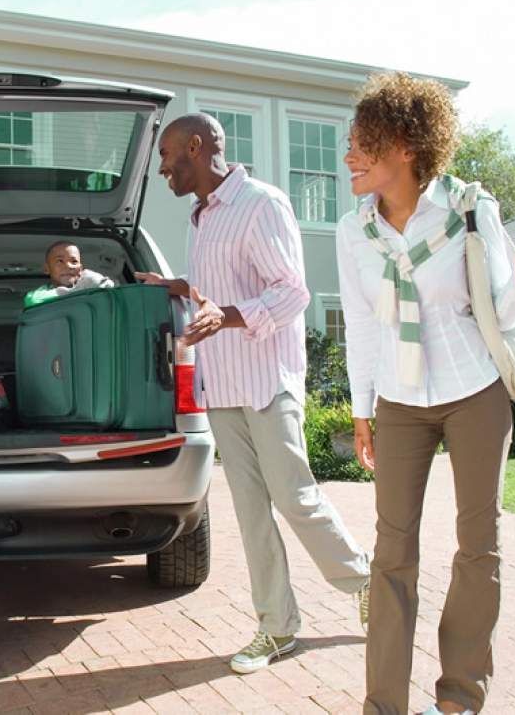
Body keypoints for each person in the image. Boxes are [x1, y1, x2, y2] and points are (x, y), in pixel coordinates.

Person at [336, 72, 515, 715]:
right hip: (399, 398)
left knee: (478, 545)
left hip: (474, 391)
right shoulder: (354, 231)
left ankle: (460, 698)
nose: (349, 156)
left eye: (362, 143)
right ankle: (384, 705)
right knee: (391, 552)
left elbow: (502, 307)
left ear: (406, 146)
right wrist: (362, 410)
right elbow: (361, 324)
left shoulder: (469, 207)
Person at [136, 113, 371, 675]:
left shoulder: (261, 203)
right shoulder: (200, 217)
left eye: (167, 154)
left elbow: (292, 294)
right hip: (222, 387)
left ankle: (367, 580)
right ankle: (277, 626)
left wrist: (228, 316)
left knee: (295, 497)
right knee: (250, 512)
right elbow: (216, 292)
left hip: (267, 381)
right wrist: (180, 289)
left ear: (196, 146)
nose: (163, 167)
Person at [23, 240, 114, 308]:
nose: (68, 266)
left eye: (74, 261)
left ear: (80, 269)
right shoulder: (38, 294)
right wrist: (79, 290)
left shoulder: (89, 281)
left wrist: (93, 280)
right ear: (47, 269)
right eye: (60, 261)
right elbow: (33, 300)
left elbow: (109, 289)